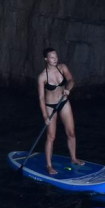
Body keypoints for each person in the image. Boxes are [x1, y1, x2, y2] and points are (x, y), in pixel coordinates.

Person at [36, 47, 83, 175]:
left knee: (71, 133)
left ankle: (73, 158)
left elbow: (71, 80)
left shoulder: (62, 67)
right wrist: (45, 116)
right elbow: (40, 98)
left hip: (63, 102)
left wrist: (68, 88)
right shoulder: (42, 76)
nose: (55, 59)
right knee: (51, 136)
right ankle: (49, 165)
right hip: (50, 106)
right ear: (46, 59)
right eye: (52, 57)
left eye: (56, 56)